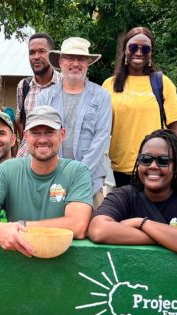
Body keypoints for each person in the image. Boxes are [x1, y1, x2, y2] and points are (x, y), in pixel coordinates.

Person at [0, 106, 93, 257]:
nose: (42, 139)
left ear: (62, 134)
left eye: (49, 132)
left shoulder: (77, 171)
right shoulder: (8, 169)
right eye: (35, 133)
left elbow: (78, 225)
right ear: (25, 136)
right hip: (18, 261)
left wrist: (18, 227)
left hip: (63, 262)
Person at [89, 130, 177, 258]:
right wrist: (169, 240)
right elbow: (98, 230)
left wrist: (142, 223)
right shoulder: (123, 195)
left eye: (163, 160)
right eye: (146, 159)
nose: (153, 166)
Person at [103, 26, 177, 187]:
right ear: (125, 50)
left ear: (151, 53)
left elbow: (176, 125)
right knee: (127, 212)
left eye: (145, 49)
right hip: (122, 167)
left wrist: (174, 160)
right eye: (133, 47)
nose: (139, 52)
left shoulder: (162, 83)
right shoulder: (109, 85)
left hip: (155, 166)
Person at [37, 36, 112, 205]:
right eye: (70, 58)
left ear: (88, 63)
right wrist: (59, 175)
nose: (75, 63)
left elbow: (101, 139)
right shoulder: (45, 98)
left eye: (81, 59)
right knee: (53, 228)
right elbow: (41, 138)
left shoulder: (101, 97)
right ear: (61, 61)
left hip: (90, 182)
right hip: (52, 180)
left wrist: (77, 174)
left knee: (91, 230)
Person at [16, 32, 62, 157]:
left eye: (42, 51)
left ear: (51, 55)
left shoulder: (64, 85)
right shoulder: (23, 86)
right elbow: (20, 121)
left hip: (56, 161)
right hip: (25, 159)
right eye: (32, 52)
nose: (36, 57)